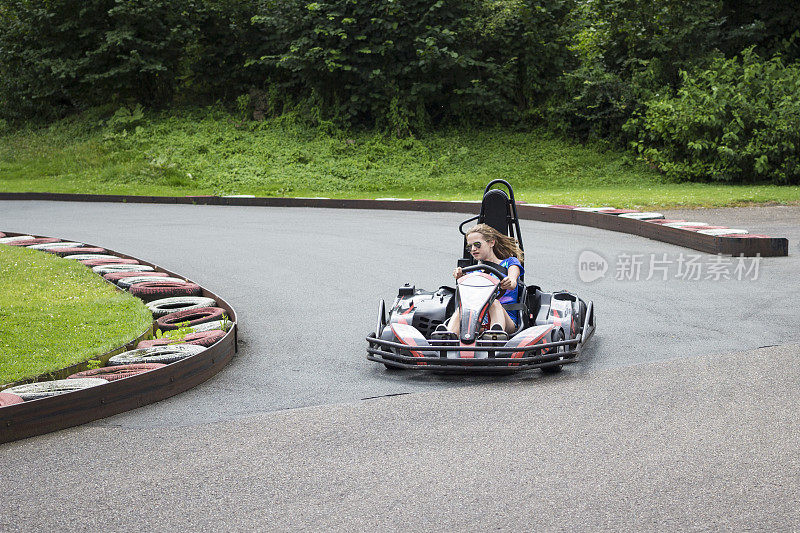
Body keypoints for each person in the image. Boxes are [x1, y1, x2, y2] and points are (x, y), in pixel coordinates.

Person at [446, 223, 524, 336]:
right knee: (463, 308)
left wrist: (508, 282)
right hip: (477, 321)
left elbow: (512, 281)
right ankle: (449, 336)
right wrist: (460, 278)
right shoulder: (472, 273)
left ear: (491, 242)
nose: (473, 249)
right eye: (470, 247)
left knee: (493, 302)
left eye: (477, 244)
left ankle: (495, 335)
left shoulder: (510, 263)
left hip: (507, 321)